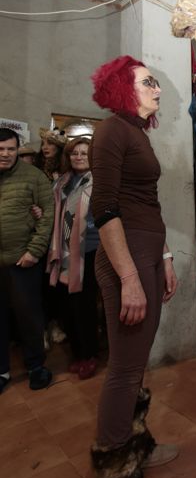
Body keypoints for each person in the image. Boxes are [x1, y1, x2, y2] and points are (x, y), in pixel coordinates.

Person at [89, 55, 179, 478]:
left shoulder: (136, 134)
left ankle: (138, 445)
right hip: (125, 258)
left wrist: (162, 259)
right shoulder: (111, 131)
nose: (158, 90)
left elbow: (147, 203)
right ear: (122, 87)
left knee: (137, 361)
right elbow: (104, 210)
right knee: (124, 371)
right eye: (149, 83)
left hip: (145, 253)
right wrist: (128, 276)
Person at [0, 127, 54, 393]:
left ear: (17, 150)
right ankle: (1, 371)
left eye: (10, 149)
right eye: (0, 149)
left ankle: (36, 367)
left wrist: (35, 250)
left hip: (23, 260)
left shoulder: (34, 177)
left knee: (29, 317)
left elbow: (47, 216)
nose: (5, 154)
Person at [47, 137, 100, 380]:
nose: (79, 156)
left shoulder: (99, 182)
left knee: (85, 307)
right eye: (74, 153)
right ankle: (78, 353)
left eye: (84, 153)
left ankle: (90, 355)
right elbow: (53, 212)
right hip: (64, 252)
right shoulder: (62, 183)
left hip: (89, 252)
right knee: (67, 308)